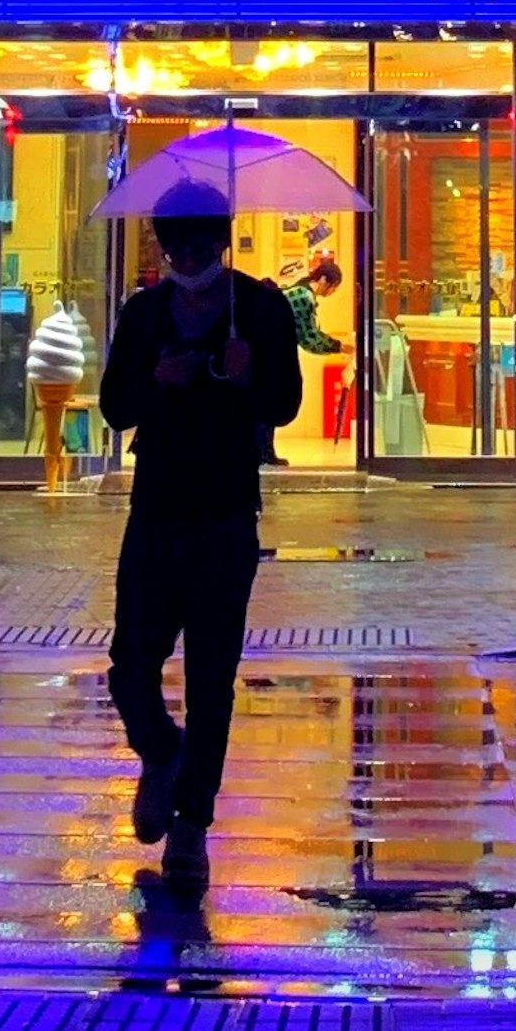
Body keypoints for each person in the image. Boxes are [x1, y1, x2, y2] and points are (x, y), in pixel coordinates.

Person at [98, 192, 304, 896]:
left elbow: (283, 404)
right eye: (173, 248)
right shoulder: (145, 314)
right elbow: (115, 406)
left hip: (224, 512)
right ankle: (161, 752)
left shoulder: (261, 310)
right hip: (155, 507)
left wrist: (249, 379)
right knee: (130, 667)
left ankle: (191, 827)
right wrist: (155, 382)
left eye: (198, 246)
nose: (186, 260)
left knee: (211, 678)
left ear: (221, 242)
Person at [27, 286, 95, 494]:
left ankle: (55, 479)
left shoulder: (51, 339)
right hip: (64, 379)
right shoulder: (67, 339)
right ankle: (55, 479)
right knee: (61, 430)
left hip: (52, 379)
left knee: (59, 431)